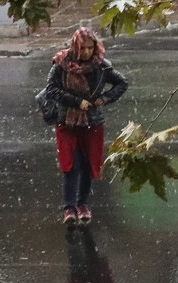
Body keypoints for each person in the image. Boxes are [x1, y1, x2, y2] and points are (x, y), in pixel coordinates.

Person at [43, 26, 128, 227]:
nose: (87, 52)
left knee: (88, 165)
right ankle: (69, 207)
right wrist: (75, 102)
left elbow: (122, 83)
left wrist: (106, 98)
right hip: (67, 121)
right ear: (75, 47)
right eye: (83, 48)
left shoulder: (101, 66)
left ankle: (82, 204)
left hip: (92, 123)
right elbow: (51, 89)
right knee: (70, 164)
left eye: (90, 48)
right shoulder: (61, 64)